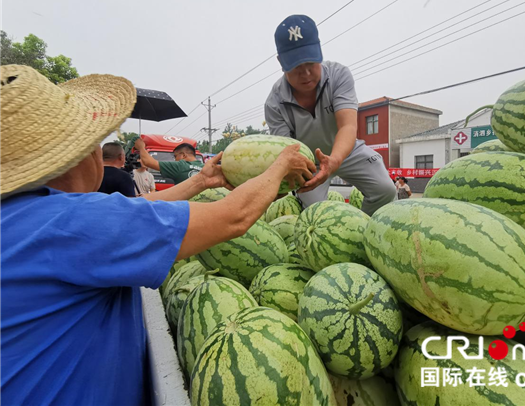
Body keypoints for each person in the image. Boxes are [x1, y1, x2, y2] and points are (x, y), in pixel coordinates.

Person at [0, 65, 315, 406]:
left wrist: (198, 182)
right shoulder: (74, 223)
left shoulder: (23, 218)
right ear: (77, 154)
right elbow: (233, 218)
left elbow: (130, 210)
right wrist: (281, 165)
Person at [264, 14, 396, 215]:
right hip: (308, 164)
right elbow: (287, 151)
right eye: (297, 66)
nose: (306, 73)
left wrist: (333, 161)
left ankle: (366, 230)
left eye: (311, 63)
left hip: (347, 150)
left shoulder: (338, 75)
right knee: (316, 214)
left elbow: (348, 126)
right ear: (281, 62)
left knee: (385, 189)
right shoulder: (275, 102)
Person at [136, 140, 203, 185]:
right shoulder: (205, 167)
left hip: (186, 205)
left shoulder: (180, 166)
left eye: (175, 156)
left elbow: (148, 162)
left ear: (183, 155)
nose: (175, 160)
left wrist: (141, 147)